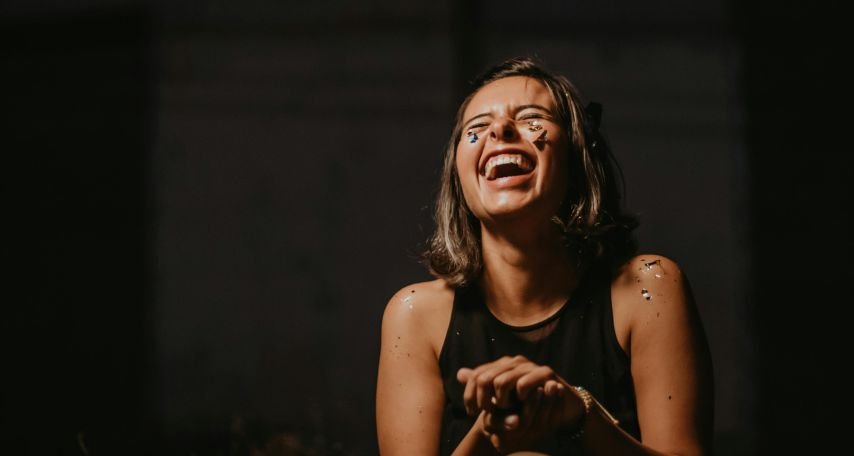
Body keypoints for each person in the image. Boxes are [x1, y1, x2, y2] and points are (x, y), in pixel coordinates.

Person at [376, 57, 713, 455]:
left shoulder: (649, 289)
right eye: (477, 128)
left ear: (576, 155)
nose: (499, 130)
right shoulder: (415, 315)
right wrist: (491, 431)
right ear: (458, 176)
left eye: (531, 117)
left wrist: (576, 414)